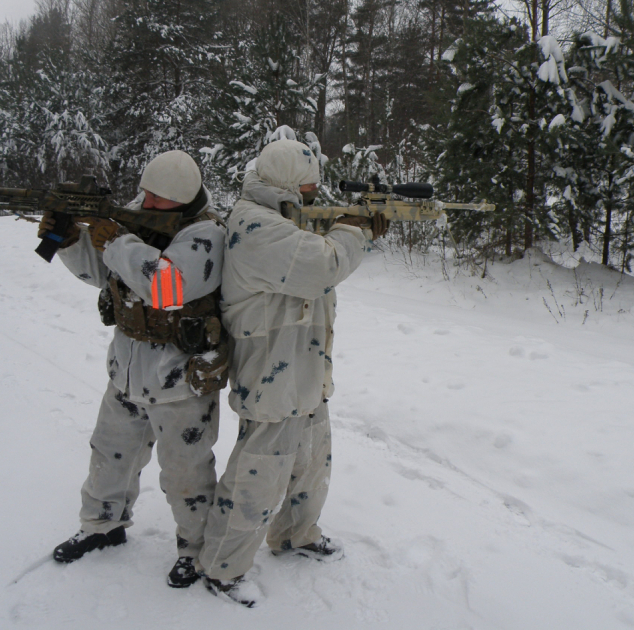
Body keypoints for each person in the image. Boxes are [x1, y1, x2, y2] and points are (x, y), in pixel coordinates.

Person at [198, 138, 388, 607]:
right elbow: (323, 264)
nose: (313, 193)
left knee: (310, 463)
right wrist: (355, 228)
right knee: (258, 474)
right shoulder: (255, 224)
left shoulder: (282, 215)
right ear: (284, 183)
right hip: (271, 375)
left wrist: (350, 224)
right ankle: (222, 566)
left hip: (304, 368)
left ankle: (295, 536)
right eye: (306, 186)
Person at [44, 150, 227, 589]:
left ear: (181, 199)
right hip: (127, 371)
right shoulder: (138, 219)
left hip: (180, 381)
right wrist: (70, 240)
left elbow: (166, 287)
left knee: (185, 473)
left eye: (157, 197)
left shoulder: (206, 236)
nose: (145, 201)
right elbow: (102, 272)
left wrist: (116, 242)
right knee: (109, 455)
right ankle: (101, 526)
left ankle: (195, 551)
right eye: (145, 191)